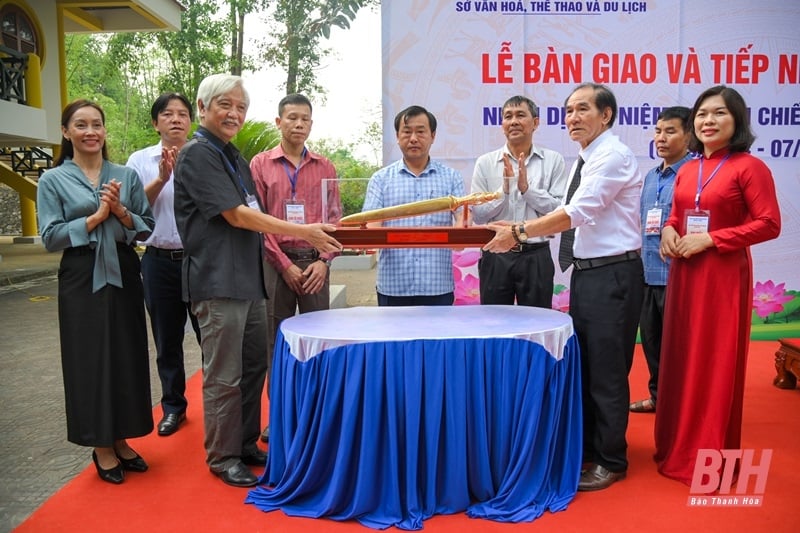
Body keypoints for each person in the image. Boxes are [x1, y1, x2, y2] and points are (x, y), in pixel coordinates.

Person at [173, 74, 341, 488]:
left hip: (249, 280)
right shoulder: (198, 154)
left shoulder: (230, 155)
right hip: (217, 282)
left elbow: (250, 211)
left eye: (240, 108)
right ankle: (223, 455)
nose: (234, 114)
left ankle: (246, 441)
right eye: (225, 105)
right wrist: (303, 232)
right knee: (224, 374)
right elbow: (238, 215)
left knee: (253, 367)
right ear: (203, 106)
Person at [484, 83, 644, 491]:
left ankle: (612, 459)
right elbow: (560, 210)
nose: (572, 117)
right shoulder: (584, 158)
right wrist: (517, 227)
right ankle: (591, 448)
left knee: (607, 372)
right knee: (586, 364)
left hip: (614, 274)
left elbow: (577, 211)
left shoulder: (613, 156)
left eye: (582, 109)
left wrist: (519, 231)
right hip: (586, 273)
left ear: (605, 115)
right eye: (569, 110)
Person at [654, 86, 781, 485]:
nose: (708, 121)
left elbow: (769, 223)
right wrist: (669, 234)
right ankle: (677, 445)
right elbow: (675, 215)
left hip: (723, 275)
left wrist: (712, 239)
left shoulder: (749, 167)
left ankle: (707, 456)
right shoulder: (688, 168)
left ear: (737, 121)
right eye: (702, 114)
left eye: (719, 113)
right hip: (685, 273)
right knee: (681, 356)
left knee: (714, 361)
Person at [37, 99, 155, 484]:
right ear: (66, 132)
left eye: (97, 125)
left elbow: (146, 227)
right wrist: (95, 218)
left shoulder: (124, 175)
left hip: (122, 270)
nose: (91, 132)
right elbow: (51, 236)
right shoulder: (52, 180)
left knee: (125, 353)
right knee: (88, 359)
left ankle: (121, 438)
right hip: (80, 274)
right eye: (81, 125)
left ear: (105, 131)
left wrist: (120, 212)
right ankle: (101, 446)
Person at [250, 93, 342, 444]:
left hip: (316, 263)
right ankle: (279, 417)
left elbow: (335, 221)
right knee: (277, 343)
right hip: (276, 264)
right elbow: (258, 222)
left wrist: (324, 261)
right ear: (278, 122)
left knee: (319, 340)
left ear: (311, 124)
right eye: (291, 118)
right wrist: (285, 265)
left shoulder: (325, 167)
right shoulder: (260, 164)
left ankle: (318, 415)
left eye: (304, 118)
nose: (298, 124)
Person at [126, 92, 202, 437]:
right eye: (168, 114)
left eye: (183, 114)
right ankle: (173, 407)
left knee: (210, 336)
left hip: (200, 261)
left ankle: (217, 407)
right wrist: (161, 177)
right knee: (167, 339)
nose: (176, 119)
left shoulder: (205, 158)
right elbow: (131, 211)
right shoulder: (139, 160)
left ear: (191, 121)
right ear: (156, 122)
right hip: (158, 261)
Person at [362, 105, 465, 306]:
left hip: (438, 285)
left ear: (433, 135)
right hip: (393, 286)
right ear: (398, 136)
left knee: (438, 338)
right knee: (394, 337)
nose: (414, 138)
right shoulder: (380, 179)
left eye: (421, 131)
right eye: (407, 132)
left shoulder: (452, 178)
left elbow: (462, 228)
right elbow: (372, 230)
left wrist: (461, 229)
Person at [471, 95, 567, 307]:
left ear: (535, 122)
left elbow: (560, 212)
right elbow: (477, 216)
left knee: (537, 321)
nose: (513, 121)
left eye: (520, 115)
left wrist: (527, 190)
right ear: (502, 125)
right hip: (495, 255)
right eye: (508, 116)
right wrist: (503, 191)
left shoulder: (553, 160)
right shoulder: (485, 163)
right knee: (494, 323)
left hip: (536, 255)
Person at [629, 106, 692, 414]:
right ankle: (658, 398)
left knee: (680, 350)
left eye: (670, 131)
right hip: (647, 275)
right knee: (652, 344)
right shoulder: (652, 176)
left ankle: (683, 407)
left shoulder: (695, 175)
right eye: (657, 131)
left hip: (680, 277)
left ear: (689, 135)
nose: (661, 138)